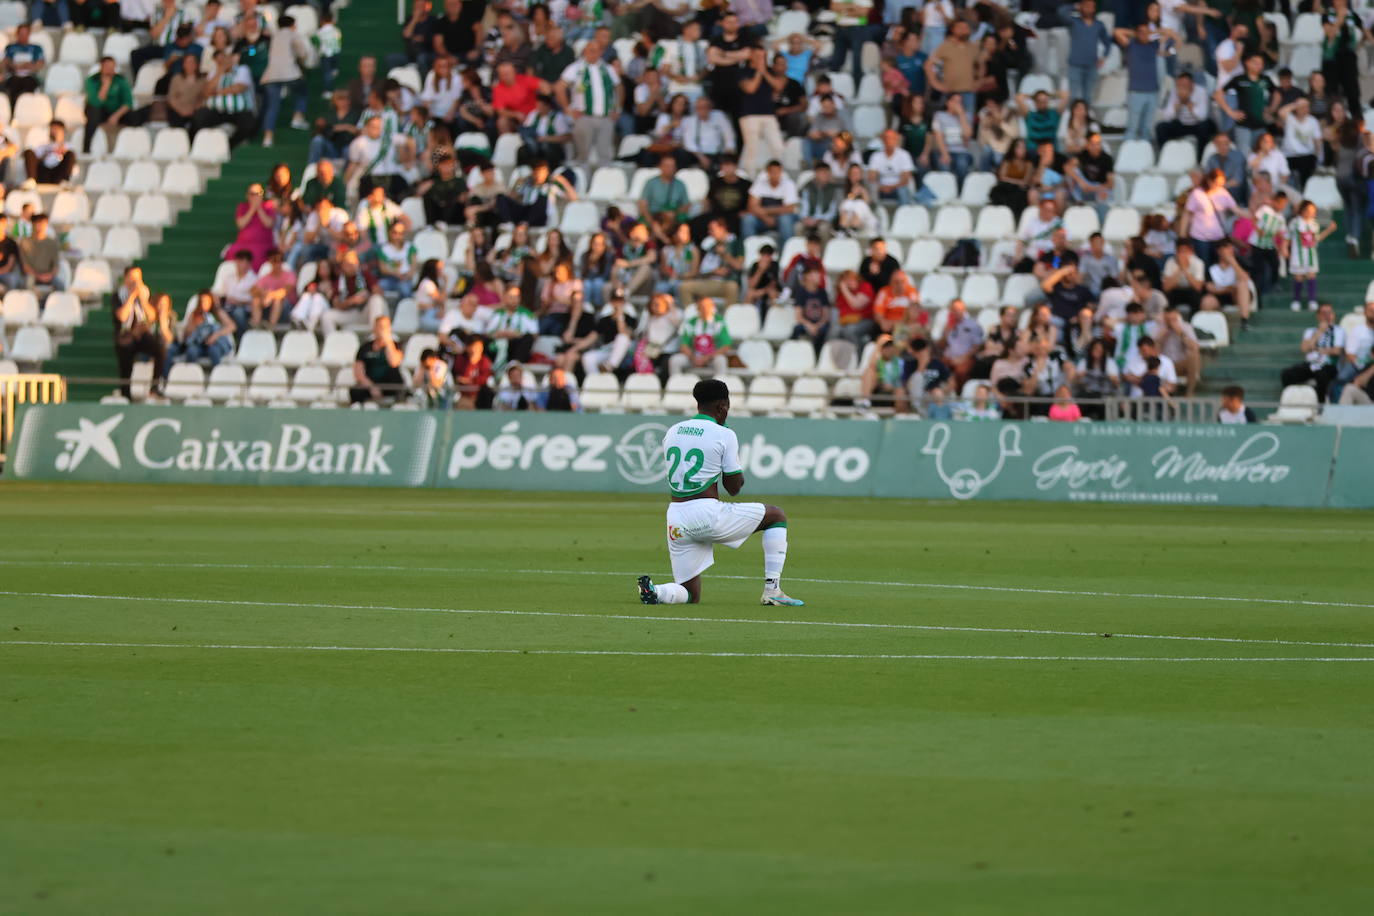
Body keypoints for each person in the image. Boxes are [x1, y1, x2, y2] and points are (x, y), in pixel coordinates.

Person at [638, 378, 803, 608]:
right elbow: (734, 488)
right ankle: (772, 590)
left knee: (690, 593)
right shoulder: (724, 434)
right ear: (722, 406)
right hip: (706, 513)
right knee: (776, 516)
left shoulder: (673, 431)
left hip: (676, 517)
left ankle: (656, 591)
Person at [556, 41, 620, 165]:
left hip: (605, 117)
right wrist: (567, 108)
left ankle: (602, 180)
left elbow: (618, 87)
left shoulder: (608, 69)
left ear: (601, 52)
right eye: (590, 50)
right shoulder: (575, 68)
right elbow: (559, 87)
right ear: (585, 51)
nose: (593, 53)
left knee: (605, 155)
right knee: (583, 155)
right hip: (584, 116)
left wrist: (617, 108)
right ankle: (582, 181)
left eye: (597, 50)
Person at [112, 266, 166, 398]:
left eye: (138, 278)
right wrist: (131, 297)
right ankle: (126, 395)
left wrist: (142, 300)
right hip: (125, 336)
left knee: (159, 349)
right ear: (125, 279)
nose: (135, 282)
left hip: (141, 334)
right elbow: (122, 316)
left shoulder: (145, 294)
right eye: (132, 278)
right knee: (126, 365)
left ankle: (154, 386)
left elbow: (152, 316)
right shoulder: (118, 296)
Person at [259, 14, 312, 147]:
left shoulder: (275, 35)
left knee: (273, 106)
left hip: (271, 75)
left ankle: (268, 137)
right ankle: (298, 117)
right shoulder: (293, 34)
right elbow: (302, 52)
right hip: (289, 73)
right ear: (292, 25)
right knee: (302, 91)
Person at [1279, 303, 1344, 402]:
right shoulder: (1310, 331)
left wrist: (1316, 349)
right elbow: (1304, 349)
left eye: (1329, 313)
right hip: (1311, 365)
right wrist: (1319, 332)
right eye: (1324, 313)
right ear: (1318, 316)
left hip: (1328, 365)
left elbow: (1336, 350)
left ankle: (1320, 405)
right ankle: (1293, 401)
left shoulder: (1339, 331)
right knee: (1287, 374)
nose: (1327, 316)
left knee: (1322, 375)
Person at [1286, 199, 1337, 312]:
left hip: (1311, 255)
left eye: (1314, 210)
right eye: (1310, 210)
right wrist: (1285, 249)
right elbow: (1287, 237)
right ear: (1303, 210)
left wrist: (1329, 230)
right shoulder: (1295, 223)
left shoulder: (1314, 224)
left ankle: (1312, 300)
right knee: (1298, 277)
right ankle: (1296, 300)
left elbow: (1316, 239)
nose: (1312, 212)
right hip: (1297, 255)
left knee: (1311, 276)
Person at [169, 289, 236, 367]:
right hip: (199, 345)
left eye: (207, 301)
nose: (204, 304)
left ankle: (216, 374)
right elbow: (187, 335)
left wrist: (216, 335)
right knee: (191, 351)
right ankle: (191, 374)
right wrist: (195, 326)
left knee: (214, 351)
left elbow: (232, 326)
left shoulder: (217, 313)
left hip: (214, 344)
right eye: (202, 301)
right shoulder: (194, 314)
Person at [82, 57, 133, 156]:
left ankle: (130, 149)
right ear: (101, 67)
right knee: (93, 114)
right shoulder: (92, 80)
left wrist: (116, 115)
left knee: (134, 117)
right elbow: (95, 102)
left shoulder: (120, 80)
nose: (110, 69)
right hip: (98, 111)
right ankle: (86, 148)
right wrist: (105, 86)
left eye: (112, 67)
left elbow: (128, 102)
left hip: (116, 111)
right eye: (108, 67)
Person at [351, 315, 405, 405]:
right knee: (355, 391)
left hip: (389, 383)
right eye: (380, 327)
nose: (382, 330)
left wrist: (388, 342)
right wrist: (371, 387)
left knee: (396, 377)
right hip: (371, 382)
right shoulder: (365, 348)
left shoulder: (396, 346)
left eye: (385, 327)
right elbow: (358, 373)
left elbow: (394, 362)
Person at [22, 122, 76, 187]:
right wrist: (49, 152)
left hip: (58, 173)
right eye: (52, 128)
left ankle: (65, 181)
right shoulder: (43, 145)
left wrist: (60, 145)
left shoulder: (68, 145)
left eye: (57, 129)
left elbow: (71, 159)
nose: (54, 131)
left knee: (70, 154)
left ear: (63, 131)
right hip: (42, 173)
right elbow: (34, 159)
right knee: (28, 151)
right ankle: (31, 180)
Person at [2, 23, 44, 106]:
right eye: (21, 34)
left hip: (30, 76)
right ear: (17, 34)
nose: (23, 36)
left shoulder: (36, 48)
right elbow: (5, 61)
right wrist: (14, 65)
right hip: (14, 76)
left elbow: (40, 63)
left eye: (25, 34)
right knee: (13, 85)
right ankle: (13, 111)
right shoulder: (11, 47)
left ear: (29, 34)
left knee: (28, 85)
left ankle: (27, 109)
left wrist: (31, 66)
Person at [19, 214, 62, 291]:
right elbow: (25, 266)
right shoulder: (25, 242)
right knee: (28, 283)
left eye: (43, 223)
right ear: (32, 225)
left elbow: (56, 266)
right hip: (31, 276)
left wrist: (50, 275)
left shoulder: (52, 243)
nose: (40, 226)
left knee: (60, 286)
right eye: (37, 223)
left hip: (48, 276)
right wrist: (38, 276)